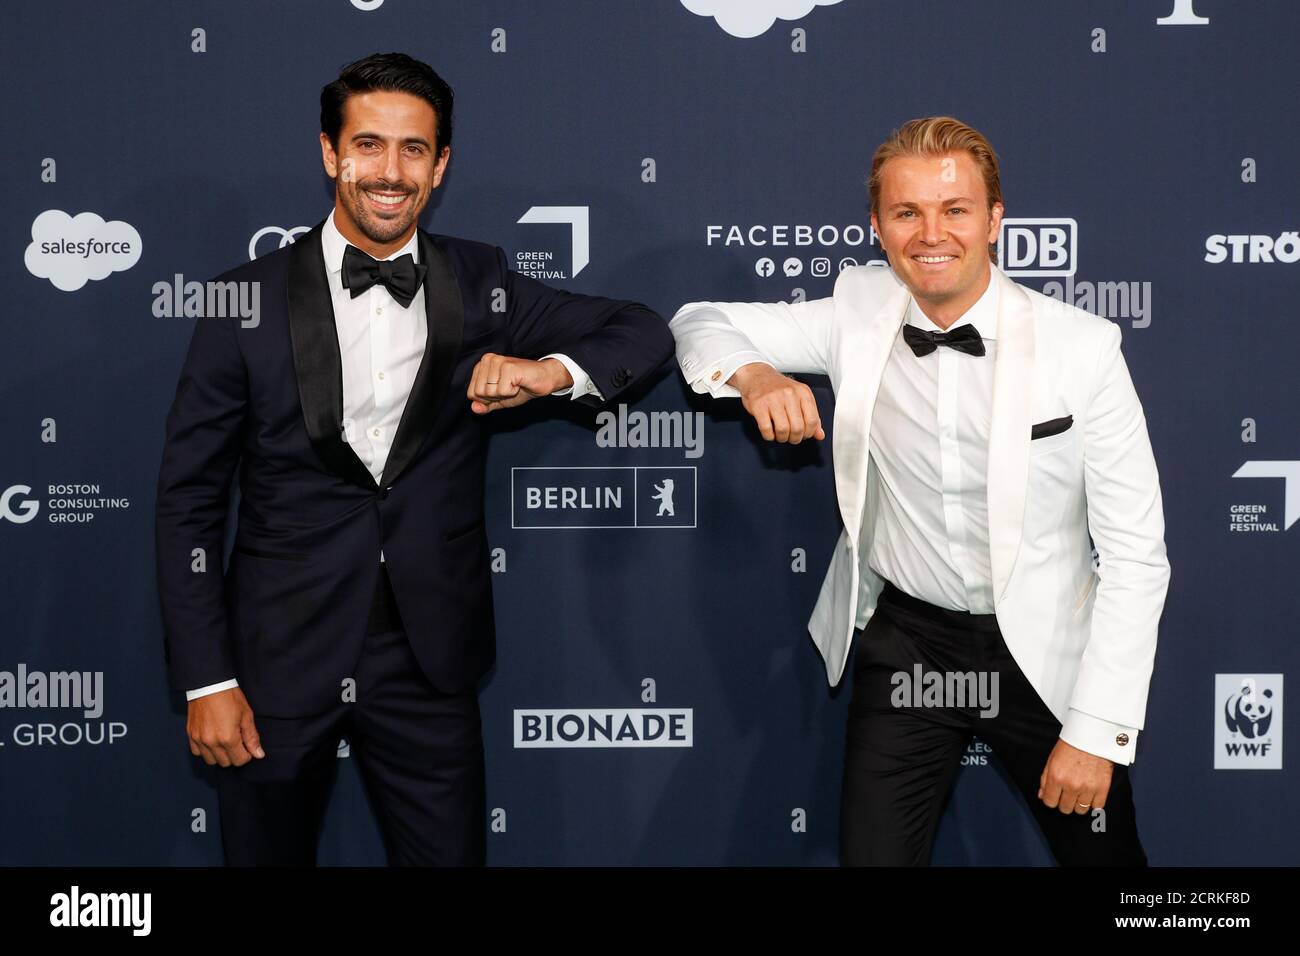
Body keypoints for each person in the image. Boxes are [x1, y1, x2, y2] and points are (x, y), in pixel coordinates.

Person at [154, 52, 674, 866]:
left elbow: (642, 332)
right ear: (330, 153)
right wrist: (206, 680)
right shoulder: (240, 303)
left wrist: (550, 373)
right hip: (274, 660)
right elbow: (187, 502)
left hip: (428, 660)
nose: (389, 172)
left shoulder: (483, 280)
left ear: (441, 165)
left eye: (413, 150)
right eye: (368, 146)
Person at [669, 116, 1169, 865]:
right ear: (877, 226)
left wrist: (1097, 731)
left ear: (996, 219)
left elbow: (1135, 557)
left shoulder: (1084, 348)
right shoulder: (856, 314)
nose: (931, 233)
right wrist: (757, 373)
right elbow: (697, 321)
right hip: (913, 649)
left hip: (1042, 653)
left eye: (955, 209)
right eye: (907, 212)